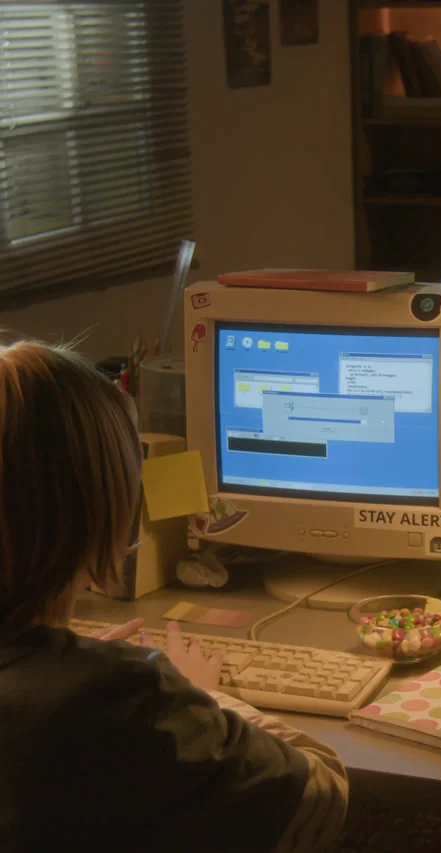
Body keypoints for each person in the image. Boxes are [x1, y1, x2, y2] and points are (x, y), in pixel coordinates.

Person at [0, 340, 348, 853]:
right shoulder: (117, 696)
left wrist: (69, 660)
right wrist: (205, 699)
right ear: (99, 510)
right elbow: (323, 797)